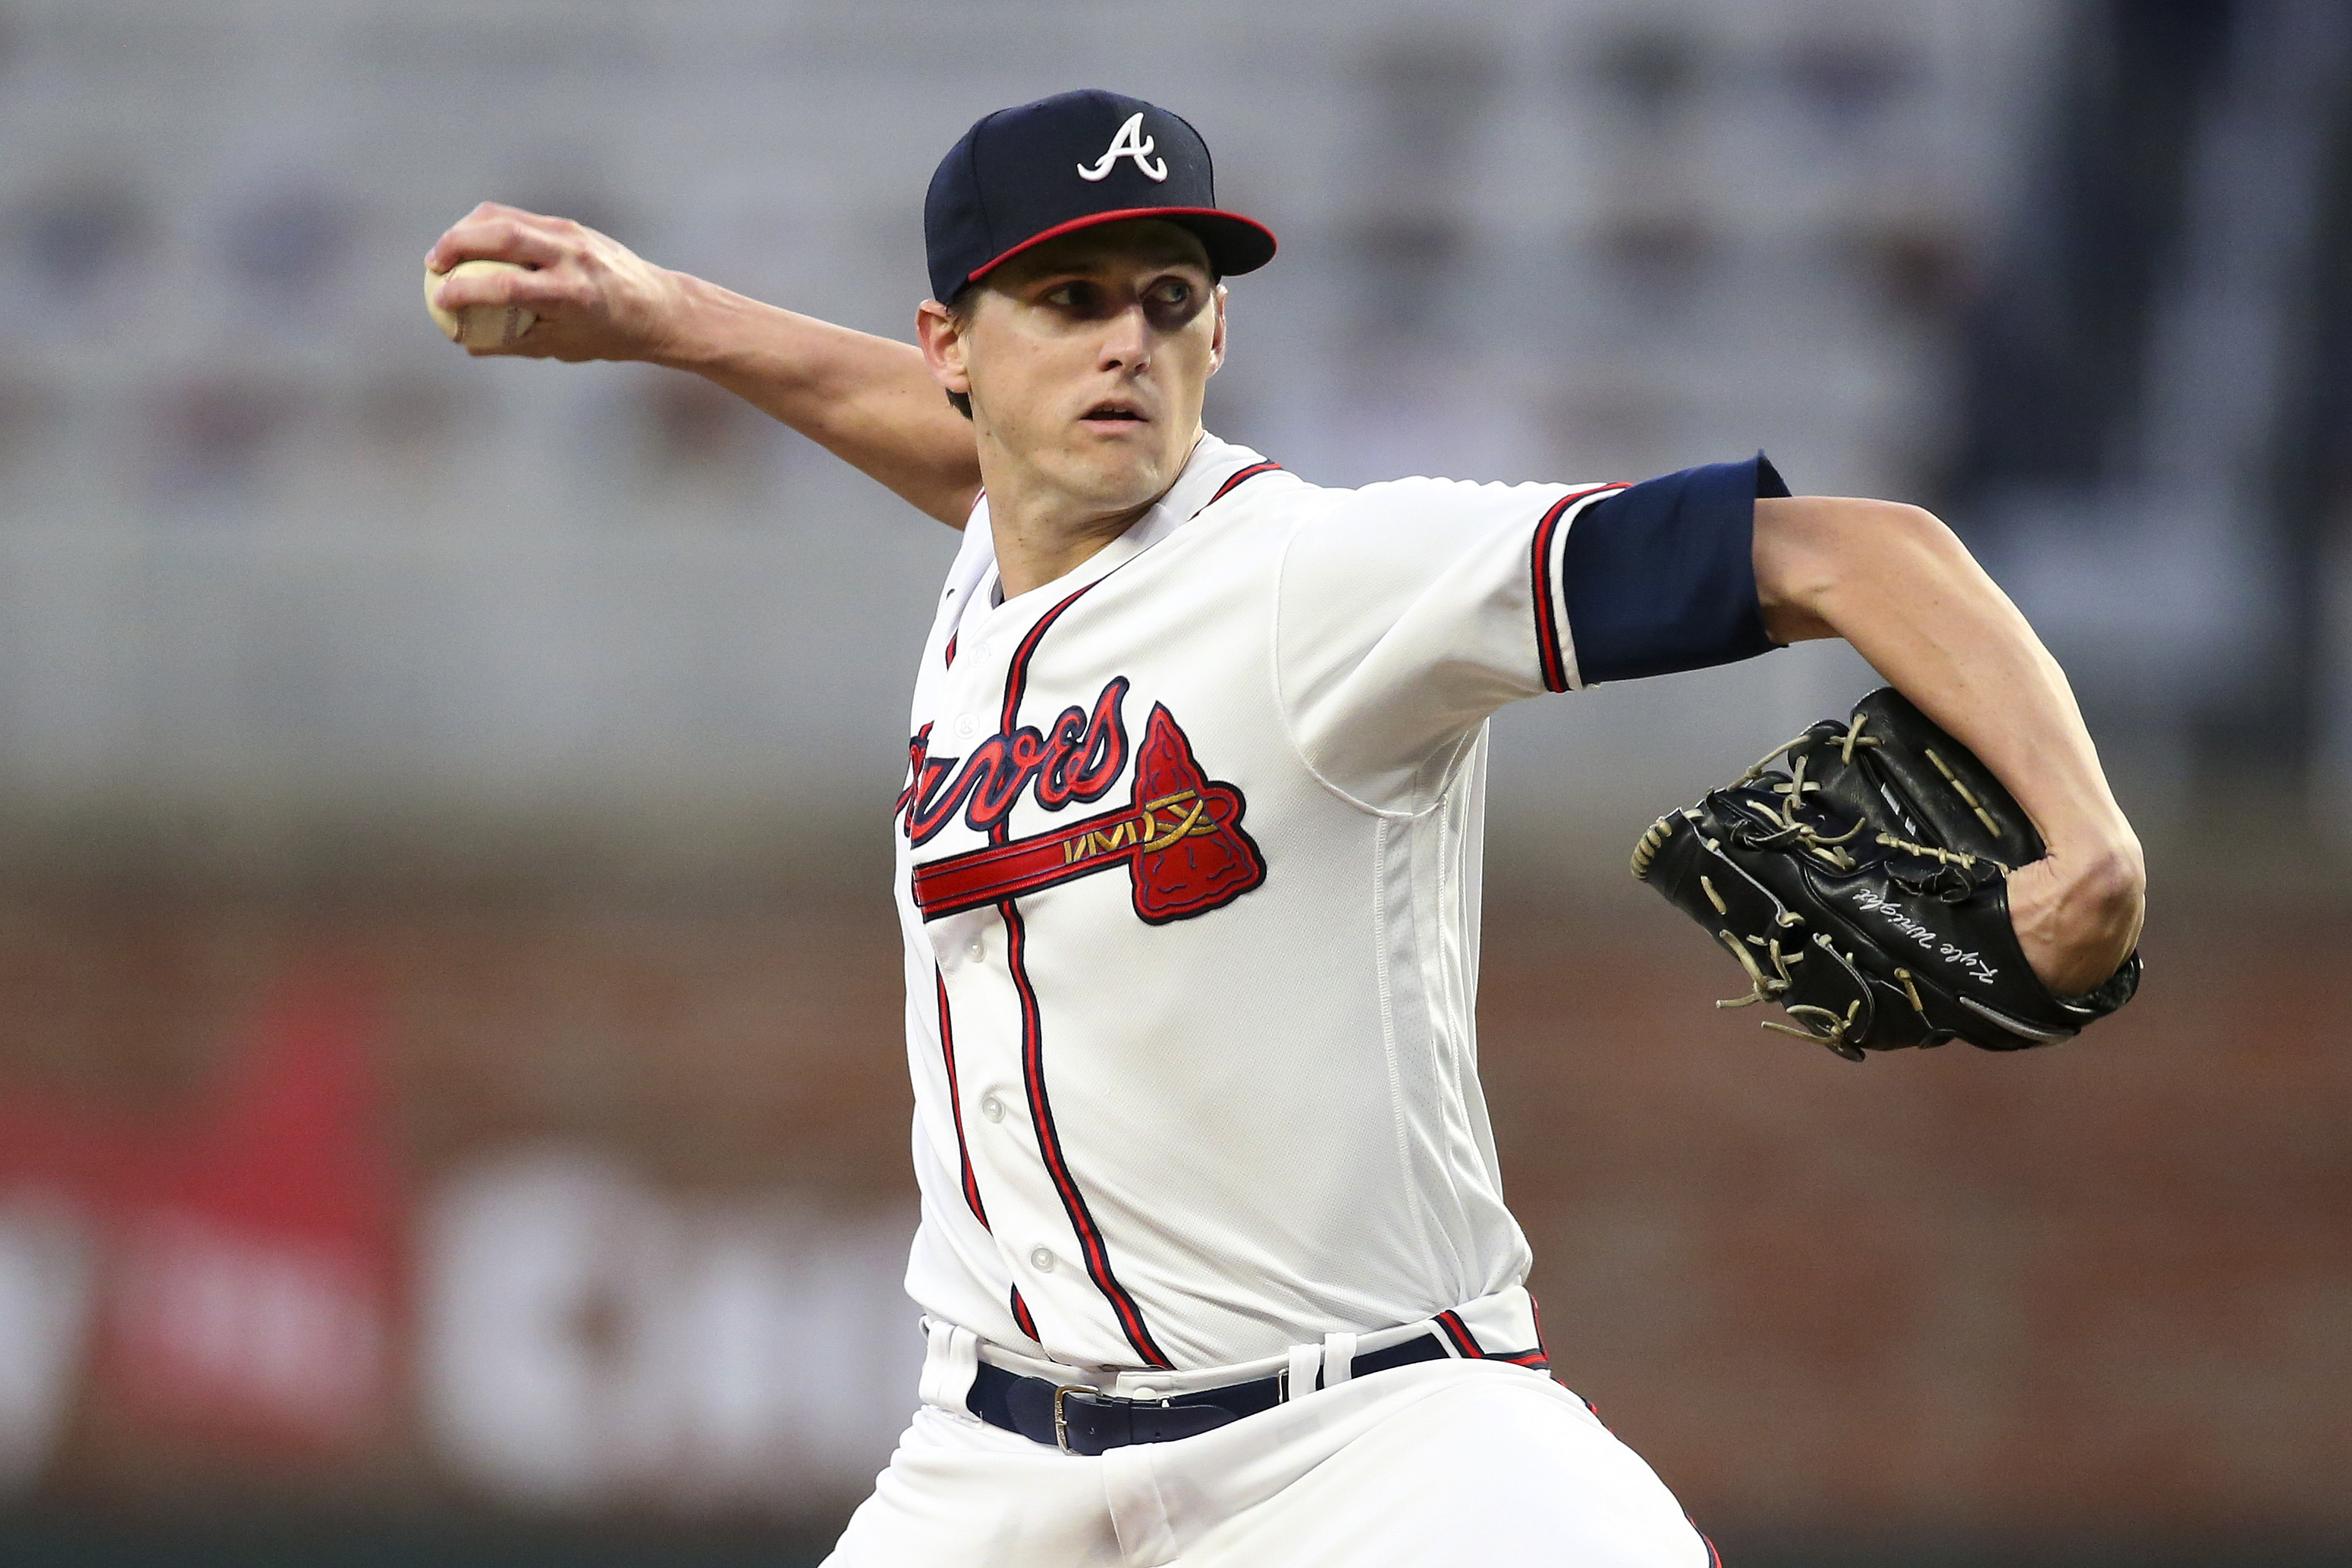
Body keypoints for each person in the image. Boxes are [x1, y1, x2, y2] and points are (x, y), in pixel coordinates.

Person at [428, 89, 2144, 1567]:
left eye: (1171, 303)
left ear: (1219, 337)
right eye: (1069, 297)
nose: (1127, 344)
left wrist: (2087, 844)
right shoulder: (1006, 532)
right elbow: (957, 456)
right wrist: (660, 315)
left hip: (1372, 1442)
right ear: (955, 345)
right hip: (1000, 1462)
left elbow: (1862, 553)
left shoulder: (1321, 577)